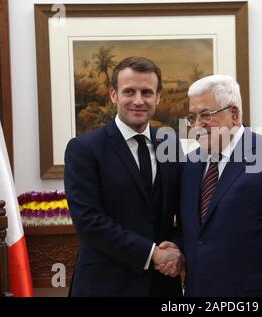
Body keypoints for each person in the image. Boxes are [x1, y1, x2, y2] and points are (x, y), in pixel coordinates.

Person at [179, 74, 262, 296]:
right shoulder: (190, 163)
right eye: (192, 117)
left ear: (234, 114)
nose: (197, 125)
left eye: (206, 115)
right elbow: (195, 233)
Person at [64, 56, 184, 297]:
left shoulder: (170, 143)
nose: (138, 100)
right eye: (129, 91)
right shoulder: (84, 149)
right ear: (113, 95)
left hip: (162, 286)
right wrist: (152, 254)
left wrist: (177, 247)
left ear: (158, 97)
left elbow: (185, 209)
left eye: (147, 92)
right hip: (104, 286)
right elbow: (89, 222)